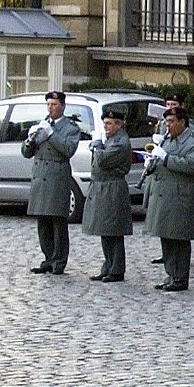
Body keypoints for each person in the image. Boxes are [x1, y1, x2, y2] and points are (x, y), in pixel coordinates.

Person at [144, 107, 194, 292]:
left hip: (180, 196)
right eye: (166, 122)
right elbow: (161, 160)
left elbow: (192, 165)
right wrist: (151, 163)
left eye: (171, 122)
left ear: (182, 122)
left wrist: (167, 158)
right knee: (166, 236)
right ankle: (171, 273)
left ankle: (180, 277)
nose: (167, 126)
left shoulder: (193, 141)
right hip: (164, 194)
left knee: (178, 238)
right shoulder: (167, 138)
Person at [23, 91, 82, 275]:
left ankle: (59, 260)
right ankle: (48, 258)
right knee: (43, 222)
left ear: (62, 106)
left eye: (54, 104)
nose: (51, 108)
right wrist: (29, 140)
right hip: (41, 177)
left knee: (58, 222)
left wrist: (51, 134)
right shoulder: (43, 124)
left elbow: (68, 149)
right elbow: (26, 153)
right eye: (48, 104)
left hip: (57, 177)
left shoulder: (70, 127)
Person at [84, 109, 134, 282]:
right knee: (105, 230)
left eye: (109, 123)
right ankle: (108, 266)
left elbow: (103, 159)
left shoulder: (121, 142)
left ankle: (117, 269)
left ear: (119, 125)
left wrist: (97, 144)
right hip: (104, 186)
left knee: (113, 230)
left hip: (113, 188)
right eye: (104, 123)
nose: (106, 127)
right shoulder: (112, 140)